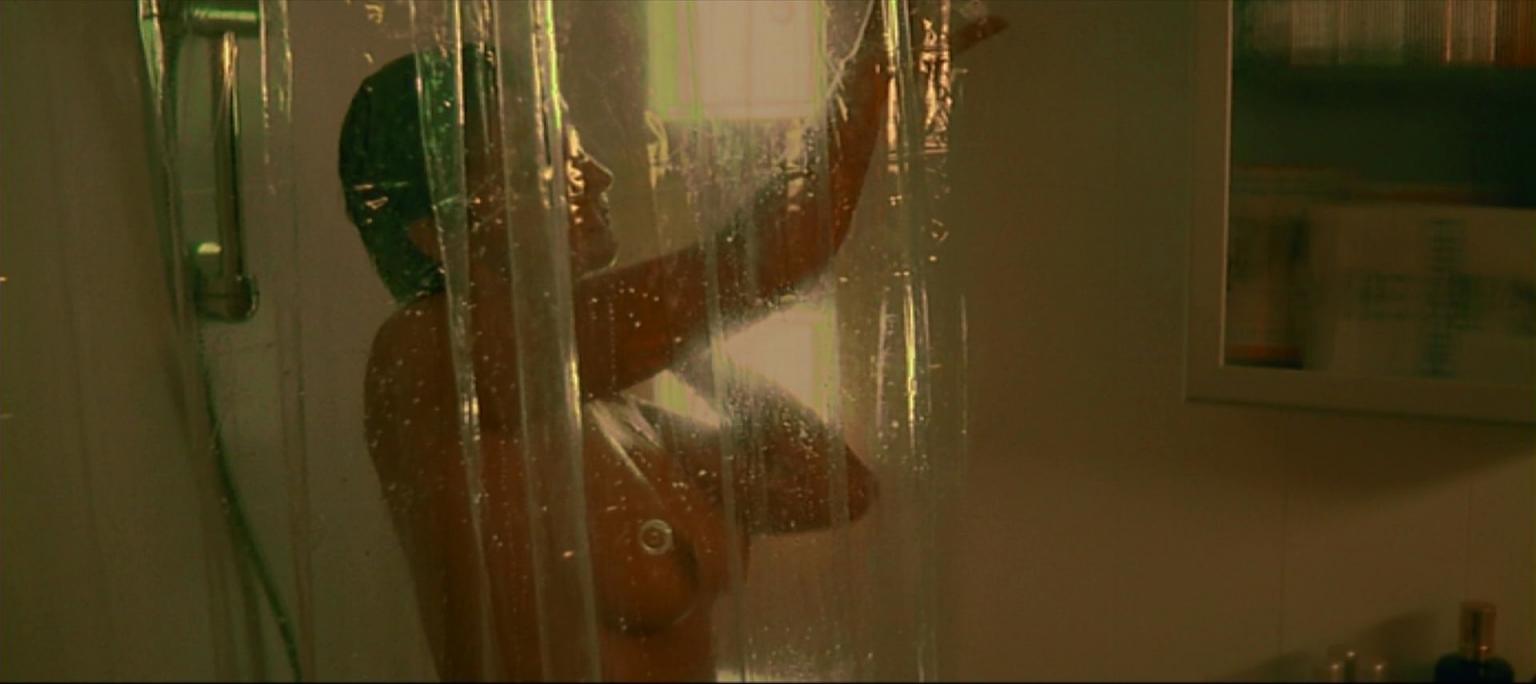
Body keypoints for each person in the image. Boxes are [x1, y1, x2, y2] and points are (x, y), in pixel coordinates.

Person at [338, 4, 1003, 681]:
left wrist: (686, 344)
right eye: (545, 162)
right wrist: (875, 66)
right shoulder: (429, 352)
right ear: (436, 230)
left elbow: (832, 486)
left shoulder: (621, 418)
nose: (597, 176)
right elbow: (770, 260)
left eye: (575, 152)